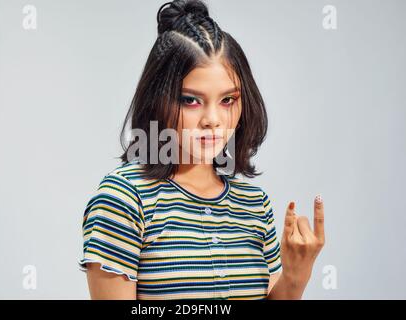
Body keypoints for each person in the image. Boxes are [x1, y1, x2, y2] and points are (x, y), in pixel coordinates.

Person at [77, 0, 325, 300]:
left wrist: (296, 278)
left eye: (228, 100)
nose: (213, 121)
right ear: (158, 100)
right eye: (191, 100)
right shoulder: (124, 199)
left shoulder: (255, 205)